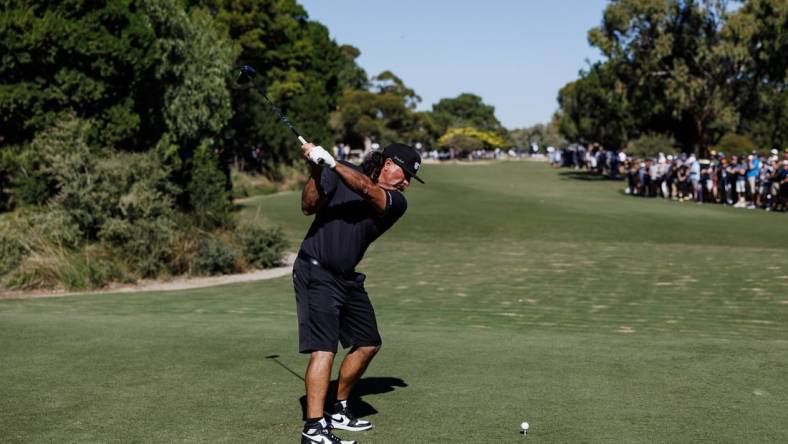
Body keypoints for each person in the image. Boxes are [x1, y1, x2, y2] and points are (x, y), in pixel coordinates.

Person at [294, 142, 424, 444]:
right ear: (388, 163)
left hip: (346, 278)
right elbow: (308, 206)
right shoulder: (339, 170)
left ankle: (338, 408)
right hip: (315, 270)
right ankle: (314, 429)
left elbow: (366, 189)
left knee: (368, 343)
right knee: (324, 348)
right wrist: (317, 167)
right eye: (405, 175)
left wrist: (330, 163)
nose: (406, 183)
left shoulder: (395, 201)